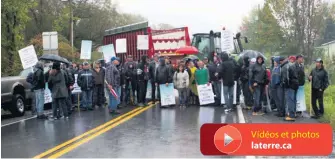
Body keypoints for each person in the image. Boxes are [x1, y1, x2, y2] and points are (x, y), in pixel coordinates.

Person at [282, 56, 299, 121]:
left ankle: (291, 116)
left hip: (290, 85)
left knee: (290, 101)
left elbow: (286, 78)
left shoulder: (287, 66)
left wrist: (286, 85)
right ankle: (293, 114)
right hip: (295, 84)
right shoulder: (295, 66)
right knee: (293, 100)